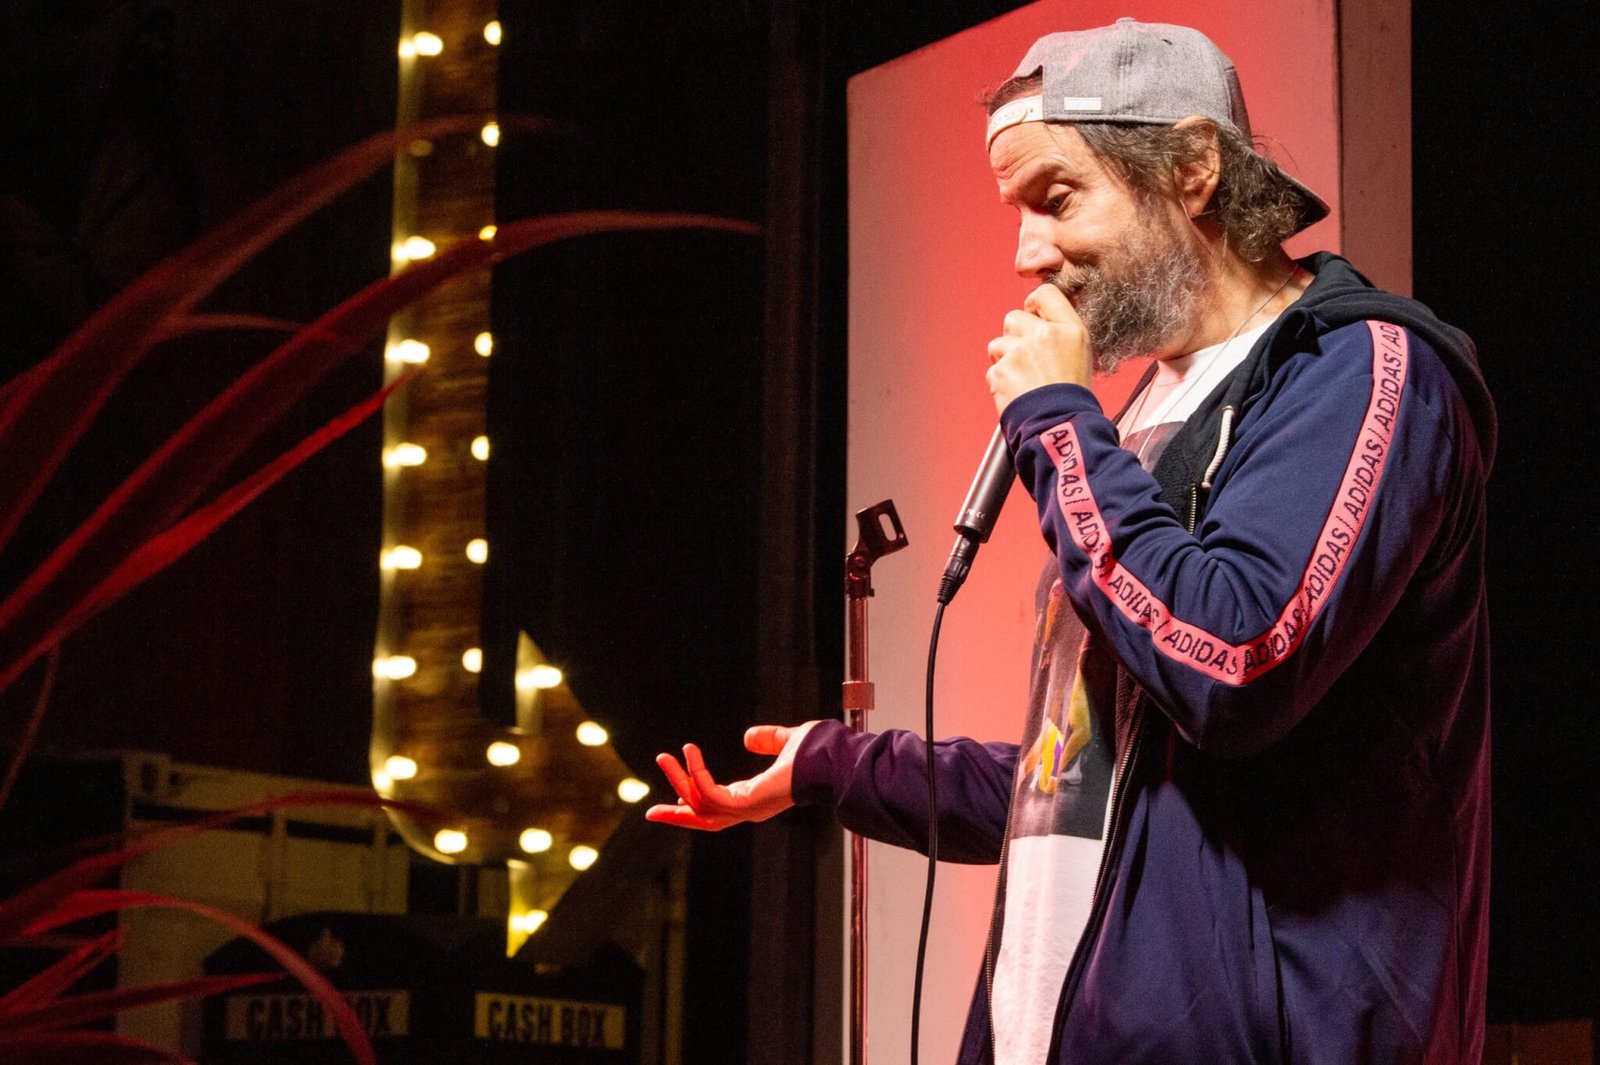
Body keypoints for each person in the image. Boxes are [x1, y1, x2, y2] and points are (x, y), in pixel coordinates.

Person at [647, 19, 1493, 1065]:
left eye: (1055, 198)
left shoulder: (1360, 372)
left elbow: (1233, 659)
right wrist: (834, 765)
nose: (1026, 255)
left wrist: (1055, 420)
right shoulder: (1144, 416)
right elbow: (1091, 781)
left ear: (1192, 168)